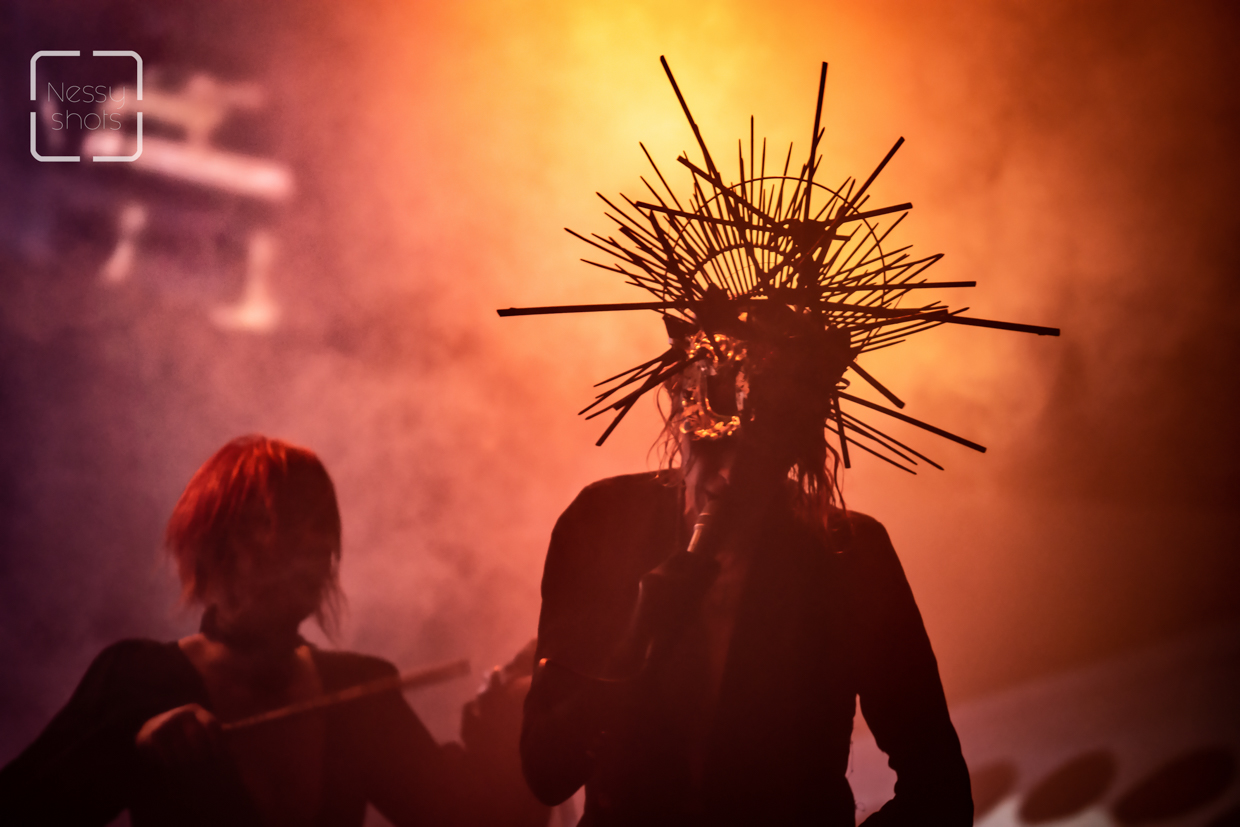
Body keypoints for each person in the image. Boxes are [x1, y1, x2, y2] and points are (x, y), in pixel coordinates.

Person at [520, 310, 975, 826]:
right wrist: (639, 635)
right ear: (680, 406)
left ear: (796, 445)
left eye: (762, 448)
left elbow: (939, 789)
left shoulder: (849, 555)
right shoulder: (603, 523)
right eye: (716, 436)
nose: (732, 471)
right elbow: (546, 771)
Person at [0, 435, 547, 827]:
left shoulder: (359, 690)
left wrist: (513, 713)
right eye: (277, 523)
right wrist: (128, 753)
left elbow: (468, 820)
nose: (311, 546)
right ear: (218, 545)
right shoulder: (138, 681)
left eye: (319, 526)